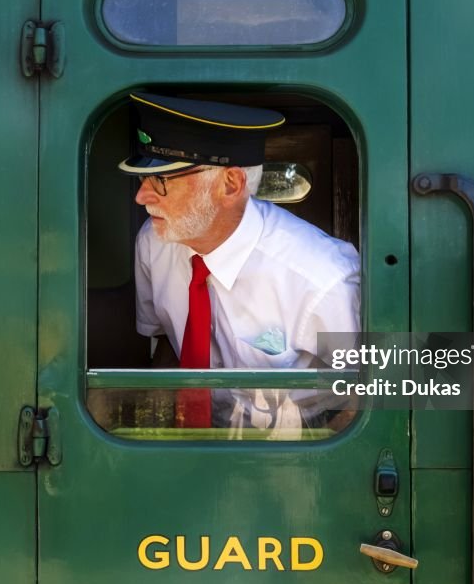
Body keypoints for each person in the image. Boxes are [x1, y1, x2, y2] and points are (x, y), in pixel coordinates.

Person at [118, 92, 360, 436]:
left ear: (230, 184)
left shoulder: (322, 279)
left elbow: (383, 393)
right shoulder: (154, 243)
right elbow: (168, 346)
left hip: (300, 442)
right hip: (198, 440)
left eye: (161, 181)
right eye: (143, 180)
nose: (141, 197)